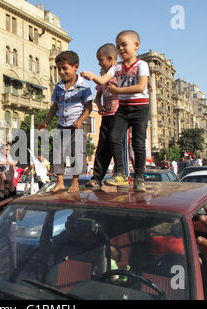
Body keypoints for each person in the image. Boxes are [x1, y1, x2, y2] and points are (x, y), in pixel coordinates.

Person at [81, 30, 150, 192]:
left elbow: (141, 87)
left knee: (137, 143)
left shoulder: (142, 65)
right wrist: (91, 76)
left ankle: (139, 177)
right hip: (121, 110)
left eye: (124, 45)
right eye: (118, 46)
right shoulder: (117, 68)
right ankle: (119, 173)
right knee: (111, 140)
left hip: (139, 107)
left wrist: (118, 91)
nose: (121, 49)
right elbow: (102, 81)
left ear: (136, 46)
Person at [38, 50, 93, 193]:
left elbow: (89, 107)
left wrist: (81, 120)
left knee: (78, 152)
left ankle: (75, 181)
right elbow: (54, 106)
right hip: (62, 125)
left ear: (75, 67)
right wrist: (46, 122)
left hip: (77, 126)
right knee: (57, 153)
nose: (62, 72)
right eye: (59, 69)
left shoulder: (84, 86)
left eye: (65, 68)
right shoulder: (58, 87)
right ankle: (60, 181)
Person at [87, 43, 119, 189]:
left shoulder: (119, 73)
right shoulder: (104, 78)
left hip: (119, 116)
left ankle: (120, 174)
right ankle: (97, 178)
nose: (99, 63)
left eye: (101, 60)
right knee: (102, 147)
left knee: (117, 145)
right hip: (107, 115)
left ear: (110, 58)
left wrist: (91, 76)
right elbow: (98, 96)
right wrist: (99, 107)